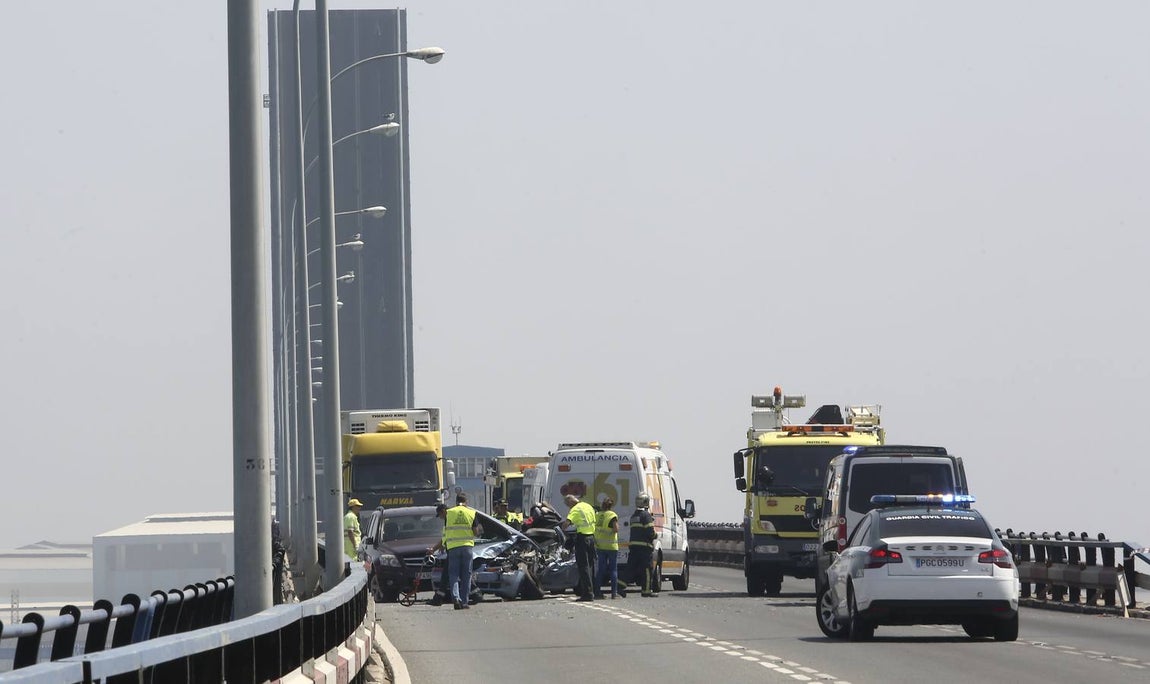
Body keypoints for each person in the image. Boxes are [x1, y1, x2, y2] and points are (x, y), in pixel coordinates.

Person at [443, 492, 482, 610]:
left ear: (456, 501)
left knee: (453, 574)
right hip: (467, 547)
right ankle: (464, 602)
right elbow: (475, 531)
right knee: (466, 575)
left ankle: (456, 597)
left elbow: (445, 531)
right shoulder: (471, 513)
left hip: (453, 547)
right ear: (466, 502)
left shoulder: (448, 513)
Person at [561, 493, 598, 601]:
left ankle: (587, 593)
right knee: (590, 566)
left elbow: (566, 524)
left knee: (583, 567)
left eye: (568, 505)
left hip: (582, 539)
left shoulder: (575, 510)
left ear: (570, 502)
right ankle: (593, 591)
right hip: (591, 538)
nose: (569, 507)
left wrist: (561, 528)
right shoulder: (588, 506)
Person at [627, 493, 657, 597]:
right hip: (644, 548)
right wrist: (655, 535)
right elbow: (650, 532)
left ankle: (620, 588)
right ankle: (646, 591)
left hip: (634, 546)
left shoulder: (634, 516)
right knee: (647, 570)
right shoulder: (646, 515)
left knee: (630, 569)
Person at [594, 497, 623, 599]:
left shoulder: (598, 515)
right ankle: (614, 593)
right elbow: (615, 529)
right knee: (613, 570)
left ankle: (597, 592)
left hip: (600, 546)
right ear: (611, 506)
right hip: (611, 546)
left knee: (601, 569)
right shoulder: (612, 515)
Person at [426, 503, 449, 606]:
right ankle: (475, 593)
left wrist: (434, 549)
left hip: (453, 551)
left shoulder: (449, 520)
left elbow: (447, 537)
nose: (440, 517)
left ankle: (438, 599)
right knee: (461, 574)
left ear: (443, 511)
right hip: (456, 549)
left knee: (446, 576)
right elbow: (446, 538)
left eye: (439, 515)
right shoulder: (448, 520)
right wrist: (442, 546)